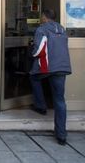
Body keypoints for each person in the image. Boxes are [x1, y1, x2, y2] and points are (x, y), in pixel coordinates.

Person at [30, 9, 72, 145]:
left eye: (42, 16)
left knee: (34, 77)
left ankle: (41, 106)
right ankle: (61, 135)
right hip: (62, 67)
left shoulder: (42, 29)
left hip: (48, 67)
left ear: (44, 17)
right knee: (60, 99)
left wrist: (32, 53)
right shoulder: (61, 29)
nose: (41, 18)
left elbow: (38, 50)